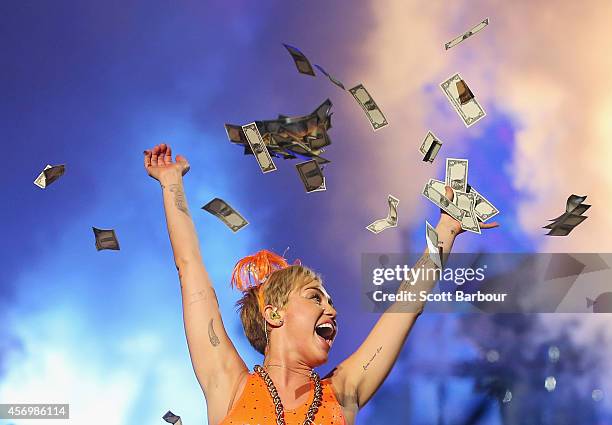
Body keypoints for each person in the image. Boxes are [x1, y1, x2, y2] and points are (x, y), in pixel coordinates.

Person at [143, 143, 499, 425]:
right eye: (316, 297)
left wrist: (447, 232)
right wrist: (171, 181)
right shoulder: (229, 386)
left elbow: (405, 308)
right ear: (274, 314)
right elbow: (190, 271)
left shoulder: (342, 391)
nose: (332, 308)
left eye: (328, 300)